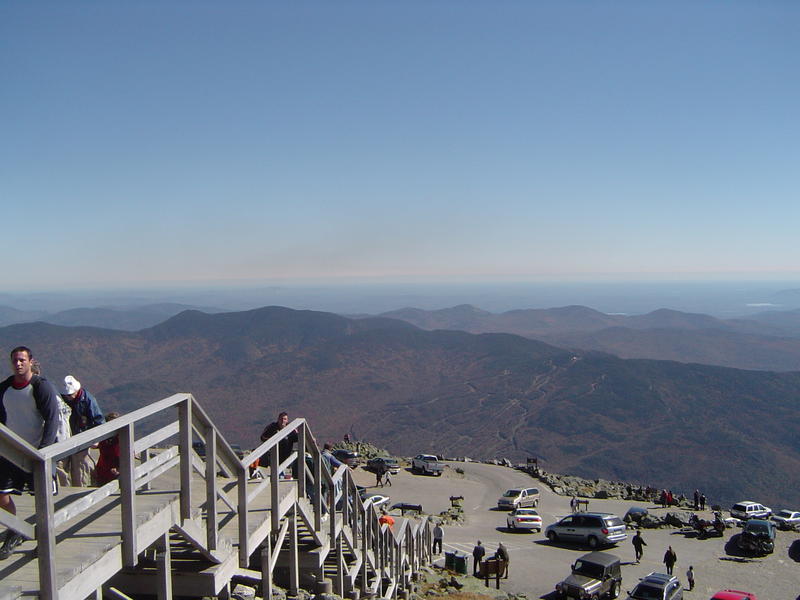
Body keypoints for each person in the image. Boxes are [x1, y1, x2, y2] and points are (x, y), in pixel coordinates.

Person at [0, 346, 60, 560]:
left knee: (42, 500)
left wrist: (44, 449)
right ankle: (14, 529)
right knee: (2, 495)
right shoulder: (5, 388)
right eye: (15, 360)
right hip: (10, 451)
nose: (18, 364)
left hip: (37, 452)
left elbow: (52, 419)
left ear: (31, 361)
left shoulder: (41, 387)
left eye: (22, 360)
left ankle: (45, 541)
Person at [62, 375, 105, 486]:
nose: (68, 397)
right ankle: (63, 492)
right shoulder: (62, 399)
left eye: (70, 395)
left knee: (80, 470)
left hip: (82, 438)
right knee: (61, 468)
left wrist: (96, 439)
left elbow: (98, 420)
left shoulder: (88, 400)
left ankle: (80, 493)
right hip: (65, 437)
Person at [260, 411, 298, 478]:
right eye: (281, 419)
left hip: (286, 454)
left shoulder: (291, 428)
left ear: (287, 420)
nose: (283, 421)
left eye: (285, 419)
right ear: (278, 419)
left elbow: (298, 437)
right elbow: (263, 437)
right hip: (273, 454)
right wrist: (273, 440)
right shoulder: (272, 427)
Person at [95, 412, 120, 485]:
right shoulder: (104, 438)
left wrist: (119, 469)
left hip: (117, 469)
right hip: (103, 469)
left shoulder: (122, 437)